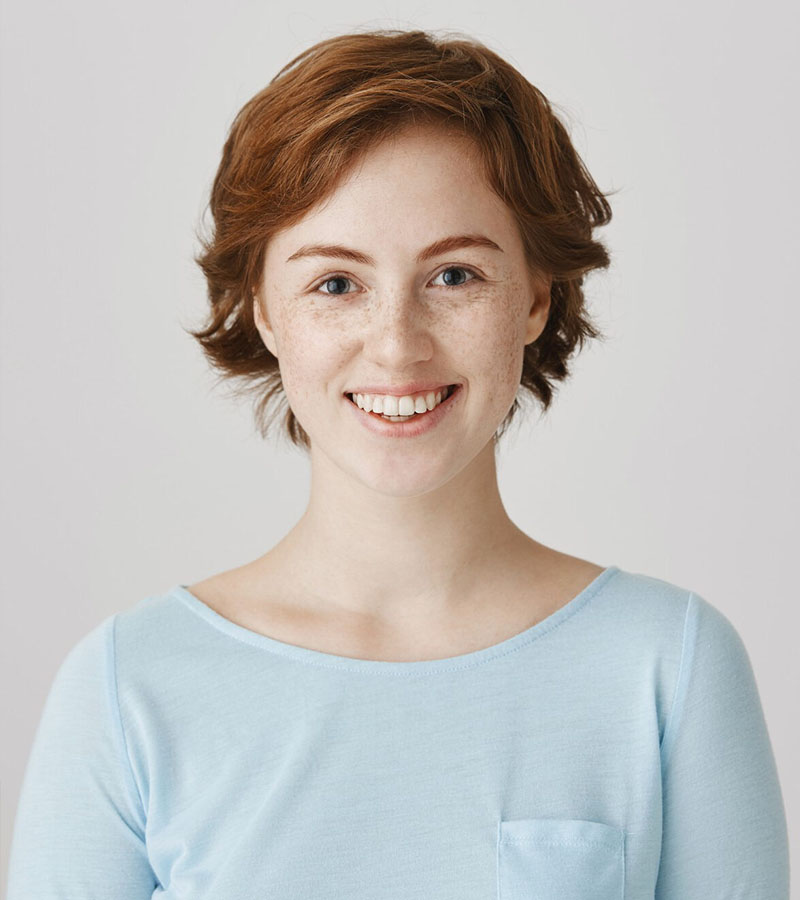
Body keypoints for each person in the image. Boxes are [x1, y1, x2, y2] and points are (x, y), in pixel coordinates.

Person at [6, 28, 789, 900]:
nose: (397, 346)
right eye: (336, 284)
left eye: (454, 276)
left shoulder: (667, 666)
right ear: (263, 310)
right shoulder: (129, 687)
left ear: (536, 296)